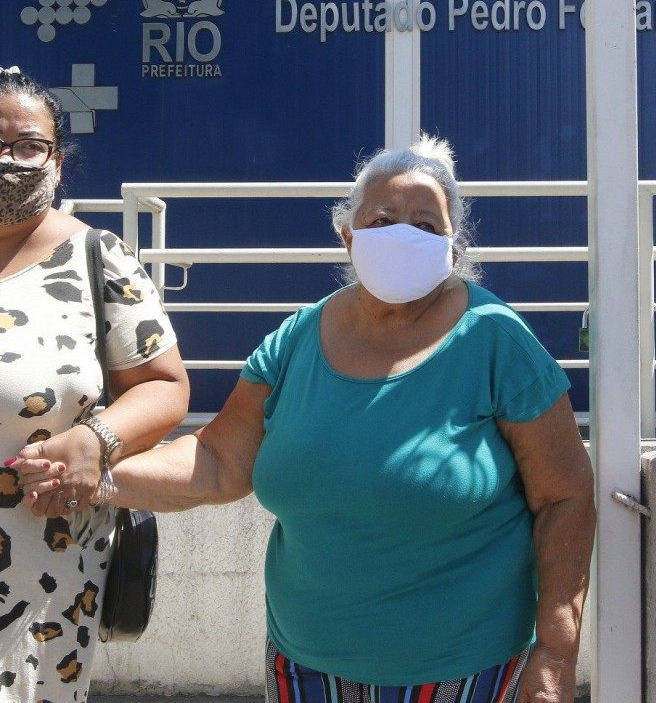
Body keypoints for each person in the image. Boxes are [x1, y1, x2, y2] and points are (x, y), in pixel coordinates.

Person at [19, 135, 596, 703]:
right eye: (382, 219)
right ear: (347, 237)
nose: (402, 234)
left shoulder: (497, 339)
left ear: (453, 245)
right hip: (304, 667)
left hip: (467, 671)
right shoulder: (298, 338)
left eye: (425, 224)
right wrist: (99, 470)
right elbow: (218, 461)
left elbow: (565, 496)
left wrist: (556, 651)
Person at [0, 67, 190, 703]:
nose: (9, 159)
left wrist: (95, 439)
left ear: (57, 158)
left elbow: (165, 386)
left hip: (46, 578)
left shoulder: (95, 256)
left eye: (27, 144)